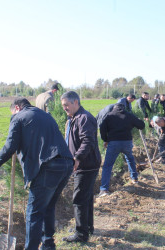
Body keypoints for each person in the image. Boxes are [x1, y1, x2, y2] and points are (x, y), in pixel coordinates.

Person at [0, 97, 73, 250]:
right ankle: (48, 245)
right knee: (48, 206)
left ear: (17, 108)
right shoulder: (44, 115)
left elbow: (10, 145)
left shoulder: (18, 117)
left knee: (34, 212)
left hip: (49, 166)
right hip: (66, 164)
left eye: (12, 112)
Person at [61, 91, 101, 243]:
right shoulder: (74, 118)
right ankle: (86, 227)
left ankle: (81, 234)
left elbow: (88, 141)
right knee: (86, 197)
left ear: (76, 102)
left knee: (78, 198)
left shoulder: (84, 118)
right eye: (63, 105)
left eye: (66, 105)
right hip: (84, 164)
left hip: (86, 164)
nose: (65, 108)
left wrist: (77, 158)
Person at [98, 103, 145, 197]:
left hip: (114, 143)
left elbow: (102, 128)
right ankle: (134, 178)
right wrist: (139, 121)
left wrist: (105, 140)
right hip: (127, 142)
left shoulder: (109, 116)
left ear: (113, 108)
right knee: (130, 158)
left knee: (107, 165)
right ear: (124, 108)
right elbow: (141, 125)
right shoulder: (129, 115)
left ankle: (104, 190)